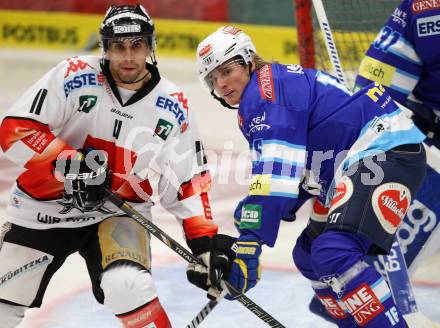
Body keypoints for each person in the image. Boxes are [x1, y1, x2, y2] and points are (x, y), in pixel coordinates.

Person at [189, 25, 427, 327]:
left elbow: (276, 172)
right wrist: (244, 235)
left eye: (225, 71)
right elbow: (295, 174)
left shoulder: (265, 93)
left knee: (334, 252)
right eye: (212, 78)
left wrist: (250, 241)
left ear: (248, 59)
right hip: (358, 164)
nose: (220, 84)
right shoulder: (267, 88)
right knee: (309, 253)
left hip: (384, 153)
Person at [0, 5, 220, 328]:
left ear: (149, 47)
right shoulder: (73, 75)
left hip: (119, 211)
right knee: (3, 303)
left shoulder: (173, 105)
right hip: (43, 206)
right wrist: (72, 165)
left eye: (136, 46)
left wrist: (205, 243)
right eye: (118, 47)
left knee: (128, 287)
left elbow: (187, 180)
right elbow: (15, 130)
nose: (128, 57)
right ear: (106, 48)